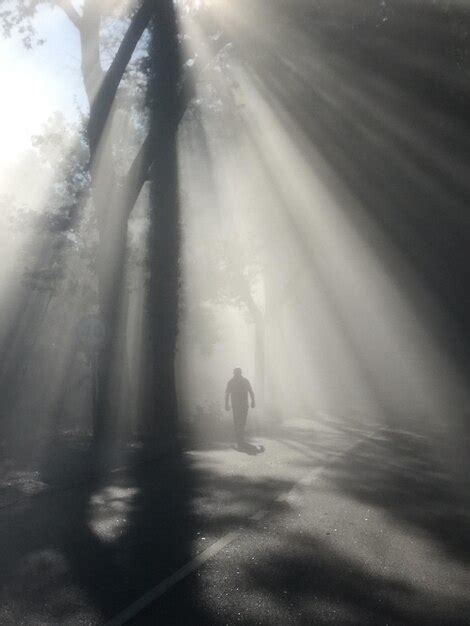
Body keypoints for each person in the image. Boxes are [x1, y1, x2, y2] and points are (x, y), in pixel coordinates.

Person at [225, 368, 255, 449]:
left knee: (238, 421)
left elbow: (227, 394)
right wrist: (253, 402)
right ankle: (240, 439)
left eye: (236, 373)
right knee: (241, 422)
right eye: (236, 373)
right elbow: (251, 392)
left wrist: (226, 404)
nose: (236, 374)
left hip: (237, 406)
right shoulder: (244, 381)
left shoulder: (232, 382)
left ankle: (239, 439)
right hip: (242, 405)